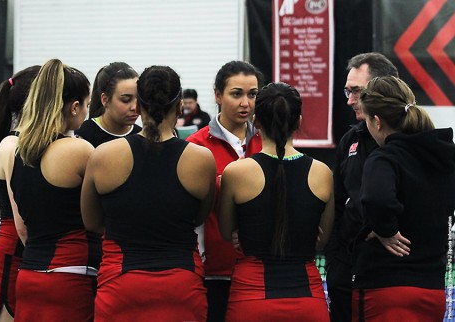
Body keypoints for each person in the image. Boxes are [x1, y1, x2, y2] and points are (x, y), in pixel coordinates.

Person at [81, 65, 216, 321]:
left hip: (121, 285)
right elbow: (199, 217)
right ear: (179, 107)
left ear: (139, 107)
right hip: (181, 287)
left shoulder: (104, 155)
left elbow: (92, 222)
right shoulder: (201, 159)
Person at [218, 82, 334, 321]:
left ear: (256, 121)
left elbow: (226, 231)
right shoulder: (322, 172)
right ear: (299, 121)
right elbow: (321, 239)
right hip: (307, 300)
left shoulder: (236, 172)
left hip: (252, 299)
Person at [352, 76, 455, 321]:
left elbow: (377, 198)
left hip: (386, 288)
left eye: (366, 120)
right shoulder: (441, 156)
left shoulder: (384, 157)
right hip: (432, 289)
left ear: (376, 121)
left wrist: (384, 229)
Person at [8, 59, 101, 321]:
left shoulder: (18, 153)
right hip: (71, 277)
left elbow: (22, 227)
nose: (87, 112)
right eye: (86, 104)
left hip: (28, 277)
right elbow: (104, 217)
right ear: (74, 107)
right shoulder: (80, 150)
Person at [187, 60, 264, 321]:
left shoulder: (268, 142)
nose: (246, 103)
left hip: (260, 272)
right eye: (236, 94)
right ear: (218, 95)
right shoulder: (194, 147)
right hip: (213, 273)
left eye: (252, 94)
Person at [325, 52, 398, 322]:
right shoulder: (350, 140)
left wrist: (383, 228)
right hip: (347, 277)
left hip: (394, 277)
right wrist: (335, 267)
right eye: (347, 90)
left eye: (356, 91)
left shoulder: (412, 142)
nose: (349, 100)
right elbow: (337, 205)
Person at [0, 65, 40, 322]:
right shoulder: (12, 145)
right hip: (13, 262)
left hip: (29, 260)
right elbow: (21, 223)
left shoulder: (34, 144)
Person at [75, 62, 141, 147]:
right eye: (126, 100)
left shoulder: (142, 137)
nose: (135, 107)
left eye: (139, 100)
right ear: (105, 100)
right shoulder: (82, 136)